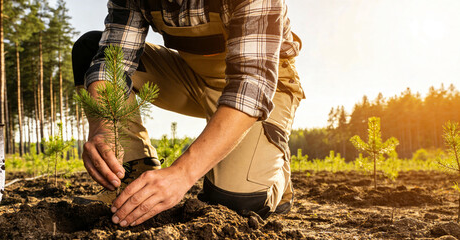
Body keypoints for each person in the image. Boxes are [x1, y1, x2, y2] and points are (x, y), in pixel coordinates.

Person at [72, 0, 304, 227]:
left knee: (234, 204)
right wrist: (103, 126)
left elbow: (251, 85)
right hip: (194, 77)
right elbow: (113, 63)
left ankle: (276, 174)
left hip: (266, 87)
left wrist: (182, 173)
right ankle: (134, 173)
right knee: (92, 50)